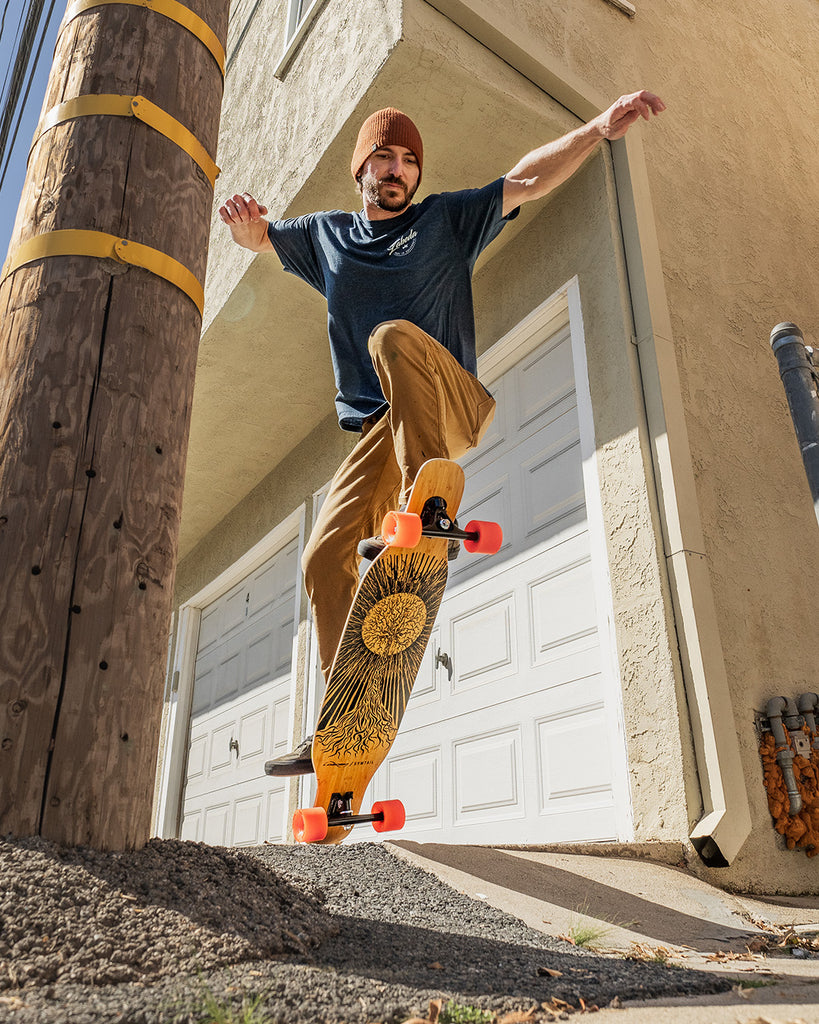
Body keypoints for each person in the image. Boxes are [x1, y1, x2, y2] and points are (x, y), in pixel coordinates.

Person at [219, 91, 665, 776]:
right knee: (322, 558)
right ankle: (344, 720)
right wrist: (247, 230)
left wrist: (596, 130)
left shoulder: (445, 221)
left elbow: (525, 178)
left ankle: (425, 508)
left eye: (407, 161)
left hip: (446, 398)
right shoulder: (326, 238)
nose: (397, 171)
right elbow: (263, 238)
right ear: (361, 170)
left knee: (391, 337)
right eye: (383, 158)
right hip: (381, 431)